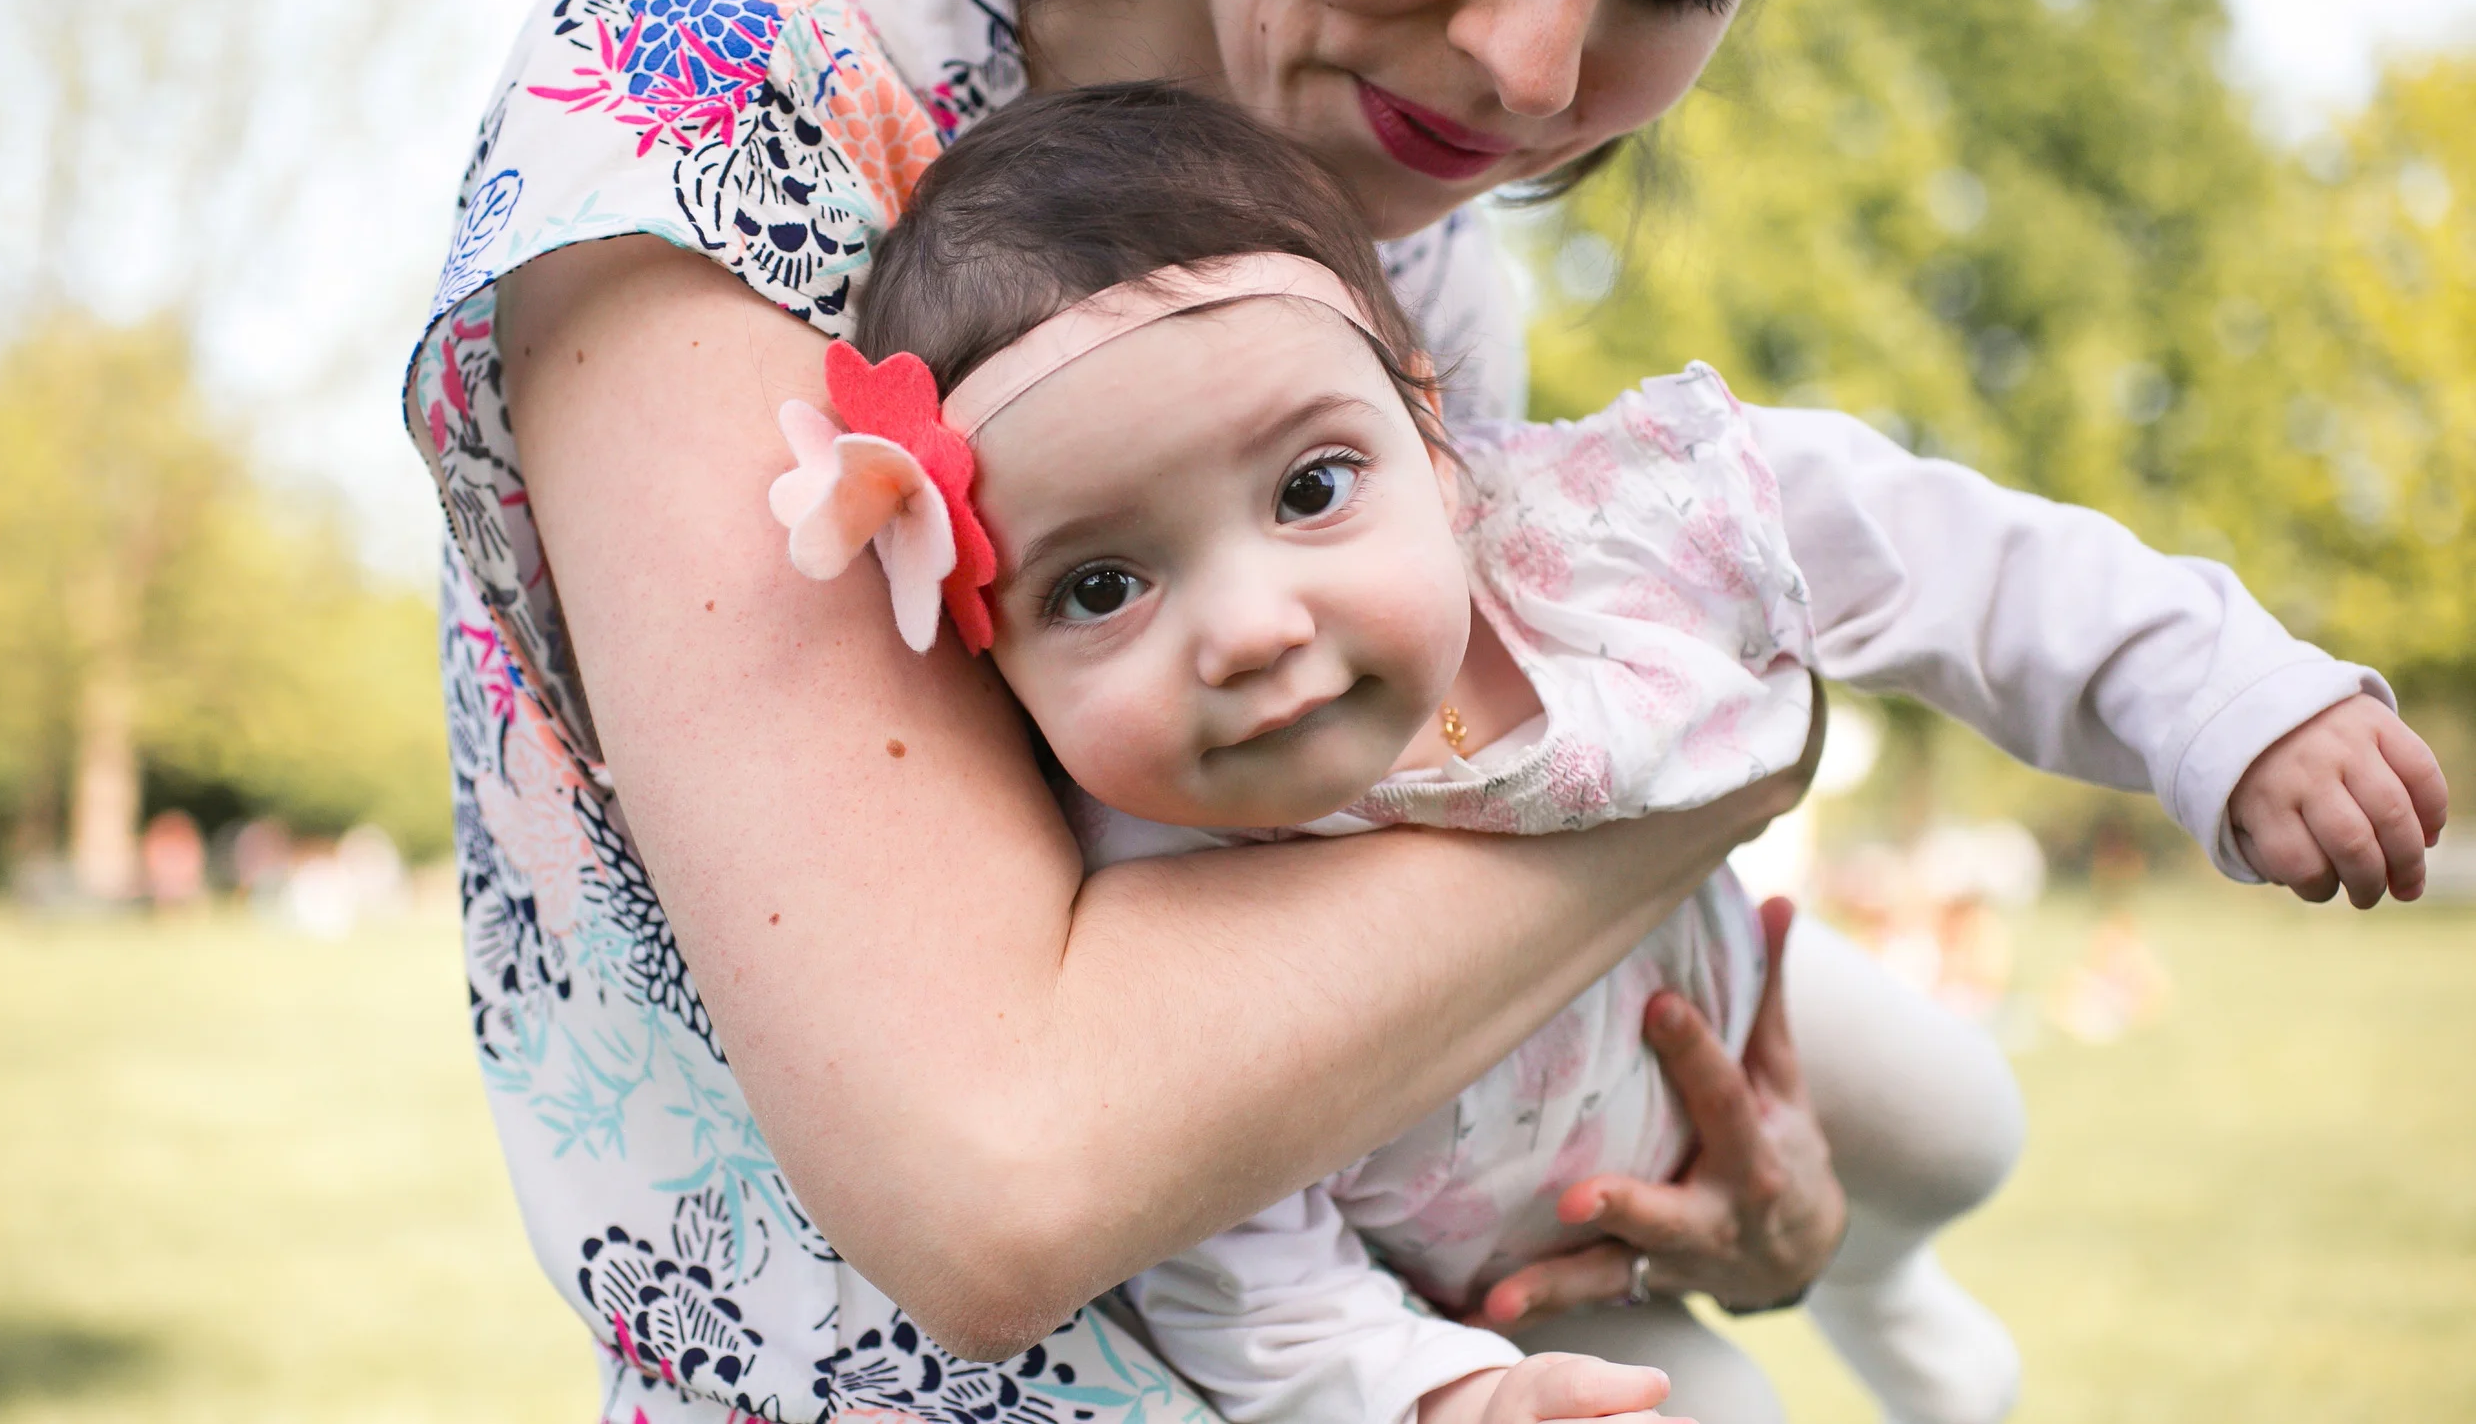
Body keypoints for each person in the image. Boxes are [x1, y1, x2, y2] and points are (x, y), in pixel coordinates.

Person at [403, 0, 2447, 1419]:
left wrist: (1709, 1201)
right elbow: (1001, 1175)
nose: (1535, 64)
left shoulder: (1421, 249)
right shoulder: (723, 82)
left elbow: (1412, 957)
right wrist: (1729, 746)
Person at [766, 80, 2445, 1424]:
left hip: (1721, 1006)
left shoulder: (1611, 530)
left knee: (1960, 1121)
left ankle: (1884, 1285)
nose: (1253, 626)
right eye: (1102, 585)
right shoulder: (1135, 911)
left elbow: (1947, 552)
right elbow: (1243, 1282)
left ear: (1433, 434)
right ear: (991, 652)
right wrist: (1444, 1390)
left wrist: (2225, 701)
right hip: (1514, 1264)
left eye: (1310, 488)